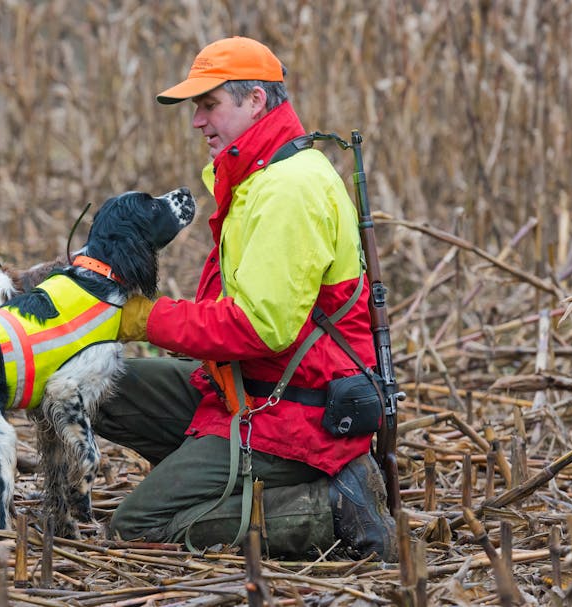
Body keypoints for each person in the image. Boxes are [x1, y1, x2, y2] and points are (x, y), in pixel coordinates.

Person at [95, 36, 397, 561]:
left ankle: (331, 505)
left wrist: (143, 319)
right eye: (196, 107)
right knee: (99, 386)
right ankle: (217, 476)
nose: (197, 121)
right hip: (244, 391)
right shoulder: (259, 176)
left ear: (256, 100)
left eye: (209, 105)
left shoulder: (288, 189)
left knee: (136, 526)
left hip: (293, 416)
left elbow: (258, 329)